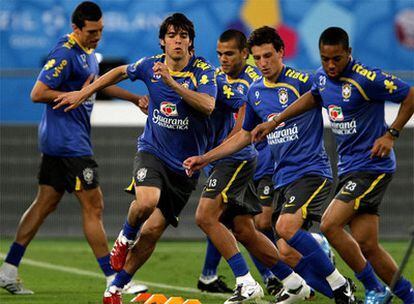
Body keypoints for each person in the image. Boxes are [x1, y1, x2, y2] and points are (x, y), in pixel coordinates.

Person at [184, 26, 358, 304]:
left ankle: (340, 285)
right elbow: (243, 136)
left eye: (268, 56)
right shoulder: (254, 93)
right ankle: (330, 291)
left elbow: (340, 96)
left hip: (312, 172)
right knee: (284, 251)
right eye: (258, 58)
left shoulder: (304, 80)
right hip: (283, 178)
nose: (263, 64)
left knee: (283, 228)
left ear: (281, 52)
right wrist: (205, 158)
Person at [54, 13, 217, 304]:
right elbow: (118, 72)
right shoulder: (149, 66)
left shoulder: (202, 71)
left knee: (153, 232)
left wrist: (173, 84)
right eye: (171, 35)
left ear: (191, 43)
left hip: (185, 167)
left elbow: (207, 105)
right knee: (145, 202)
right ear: (162, 41)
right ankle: (124, 237)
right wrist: (84, 92)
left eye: (183, 36)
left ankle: (114, 288)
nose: (177, 41)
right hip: (152, 151)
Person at [251, 26, 414, 304]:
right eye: (325, 59)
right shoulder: (322, 78)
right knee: (368, 244)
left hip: (372, 166)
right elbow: (313, 96)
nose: (330, 65)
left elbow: (410, 94)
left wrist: (391, 134)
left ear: (348, 53)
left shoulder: (367, 78)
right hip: (350, 167)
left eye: (336, 59)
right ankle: (408, 296)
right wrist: (275, 121)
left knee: (329, 224)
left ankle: (369, 288)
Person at [0, 1, 147, 296]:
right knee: (94, 207)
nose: (97, 36)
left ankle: (8, 270)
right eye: (92, 31)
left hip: (62, 142)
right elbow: (37, 93)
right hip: (69, 144)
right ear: (76, 28)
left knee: (44, 204)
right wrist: (75, 94)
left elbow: (95, 86)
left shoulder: (87, 54)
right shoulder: (65, 54)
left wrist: (132, 98)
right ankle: (113, 278)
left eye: (101, 30)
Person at [196, 29, 281, 296]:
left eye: (229, 53)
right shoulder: (216, 77)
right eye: (219, 53)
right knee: (230, 221)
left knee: (231, 220)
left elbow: (245, 128)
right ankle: (279, 278)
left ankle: (270, 276)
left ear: (244, 54)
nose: (222, 59)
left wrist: (217, 152)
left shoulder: (255, 80)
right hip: (228, 157)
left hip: (250, 157)